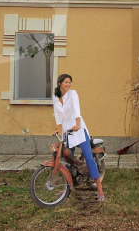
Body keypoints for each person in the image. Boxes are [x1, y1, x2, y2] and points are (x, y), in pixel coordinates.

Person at [52, 73, 105, 202]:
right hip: (67, 132)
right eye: (66, 82)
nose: (68, 84)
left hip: (78, 130)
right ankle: (67, 188)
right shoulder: (55, 97)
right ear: (59, 83)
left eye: (69, 82)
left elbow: (77, 109)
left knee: (88, 157)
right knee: (67, 159)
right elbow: (58, 115)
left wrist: (77, 124)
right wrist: (59, 129)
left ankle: (100, 191)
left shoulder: (73, 94)